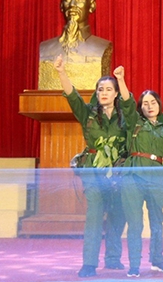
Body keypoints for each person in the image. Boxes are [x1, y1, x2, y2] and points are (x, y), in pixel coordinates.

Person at [54, 55, 127, 278]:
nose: (103, 93)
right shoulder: (88, 114)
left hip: (118, 171)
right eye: (99, 90)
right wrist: (61, 72)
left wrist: (121, 79)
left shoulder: (126, 117)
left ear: (115, 94)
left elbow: (131, 103)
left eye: (107, 89)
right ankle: (89, 263)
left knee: (118, 213)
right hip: (93, 171)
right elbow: (72, 96)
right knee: (95, 214)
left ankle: (113, 258)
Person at [121, 88, 163, 277]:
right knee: (135, 223)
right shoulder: (134, 123)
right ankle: (134, 264)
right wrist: (120, 80)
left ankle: (157, 259)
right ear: (140, 108)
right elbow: (126, 102)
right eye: (145, 104)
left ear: (159, 106)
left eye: (153, 102)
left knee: (157, 221)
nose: (150, 106)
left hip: (156, 177)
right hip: (132, 176)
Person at [39, 0, 113, 90]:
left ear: (92, 5)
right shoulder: (45, 48)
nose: (72, 4)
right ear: (61, 6)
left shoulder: (102, 47)